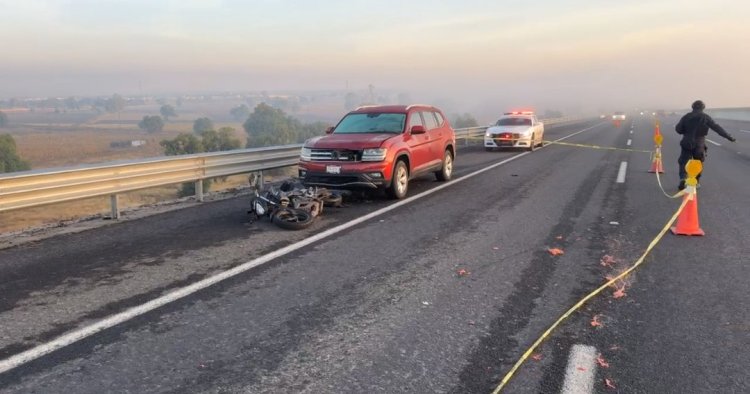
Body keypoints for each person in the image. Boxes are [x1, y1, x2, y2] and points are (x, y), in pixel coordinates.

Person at [675, 100, 736, 190]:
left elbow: (678, 129)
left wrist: (686, 131)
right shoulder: (705, 117)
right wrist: (729, 137)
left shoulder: (686, 116)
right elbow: (717, 128)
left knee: (683, 161)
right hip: (699, 142)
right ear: (703, 107)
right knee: (698, 162)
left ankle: (683, 179)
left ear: (693, 107)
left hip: (687, 141)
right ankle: (696, 182)